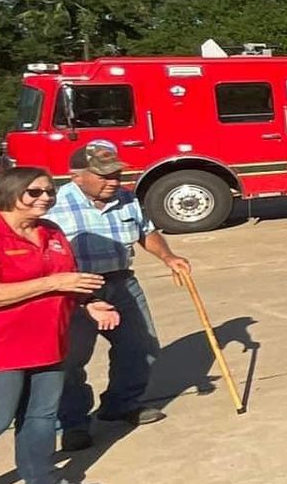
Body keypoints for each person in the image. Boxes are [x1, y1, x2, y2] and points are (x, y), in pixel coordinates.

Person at [0, 166, 118, 484]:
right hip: (1, 347)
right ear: (9, 193)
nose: (45, 198)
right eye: (34, 192)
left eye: (50, 191)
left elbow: (68, 279)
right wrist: (52, 284)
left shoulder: (52, 231)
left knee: (41, 416)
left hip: (50, 342)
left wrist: (90, 302)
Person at [51, 142, 191, 449]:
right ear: (76, 176)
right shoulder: (54, 204)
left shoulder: (127, 197)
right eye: (103, 175)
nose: (113, 180)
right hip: (76, 289)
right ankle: (73, 423)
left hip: (122, 283)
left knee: (143, 346)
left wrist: (168, 257)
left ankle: (120, 404)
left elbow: (146, 231)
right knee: (71, 359)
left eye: (116, 173)